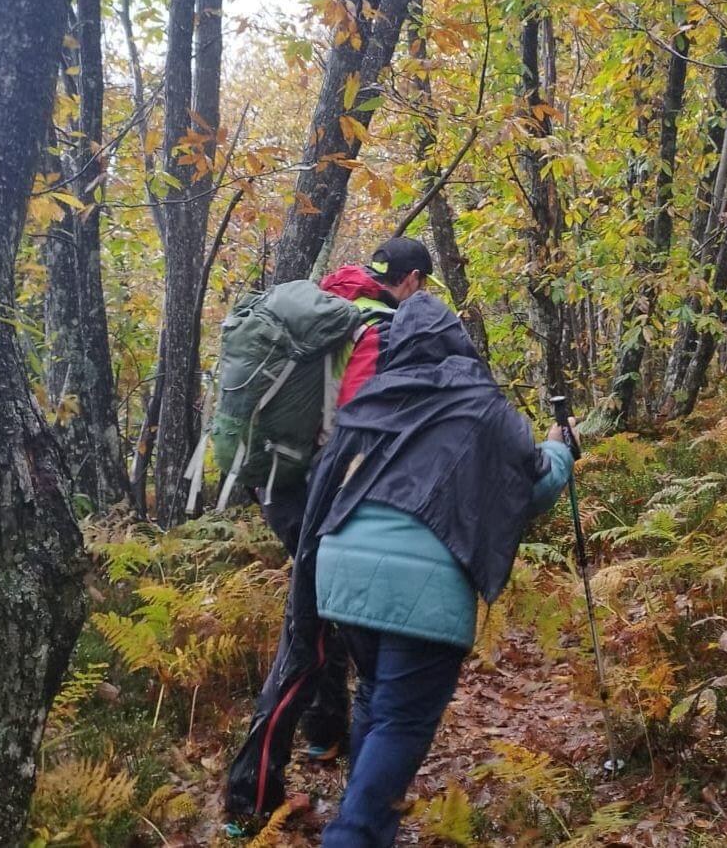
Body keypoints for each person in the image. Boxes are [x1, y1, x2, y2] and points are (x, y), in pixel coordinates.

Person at [295, 292, 574, 847]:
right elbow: (534, 484)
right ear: (458, 340)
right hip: (422, 582)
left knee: (377, 696)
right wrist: (560, 449)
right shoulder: (482, 404)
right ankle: (353, 834)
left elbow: (325, 485)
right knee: (400, 719)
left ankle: (362, 818)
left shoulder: (373, 396)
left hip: (341, 568)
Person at [223, 237, 439, 819]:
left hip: (275, 481)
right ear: (414, 279)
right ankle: (250, 799)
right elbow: (358, 420)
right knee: (309, 636)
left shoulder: (329, 298)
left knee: (325, 617)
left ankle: (324, 732)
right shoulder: (379, 327)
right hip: (320, 492)